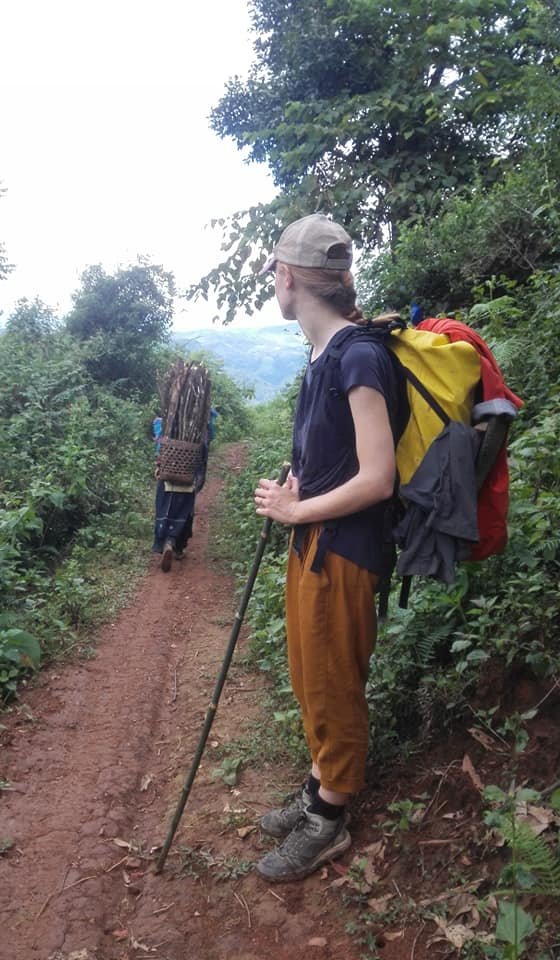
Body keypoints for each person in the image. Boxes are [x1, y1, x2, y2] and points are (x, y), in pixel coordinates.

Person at [252, 213, 408, 882]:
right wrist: (297, 488)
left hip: (344, 551)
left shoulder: (359, 356)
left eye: (275, 274)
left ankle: (329, 820)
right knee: (311, 675)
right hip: (314, 541)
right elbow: (338, 459)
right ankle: (319, 787)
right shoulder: (324, 357)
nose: (274, 284)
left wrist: (296, 510)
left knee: (335, 682)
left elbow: (378, 478)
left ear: (289, 277)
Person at [151, 411, 215, 572]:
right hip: (189, 476)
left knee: (164, 508)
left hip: (167, 475)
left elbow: (160, 446)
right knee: (184, 512)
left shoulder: (167, 421)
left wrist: (159, 466)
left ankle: (164, 542)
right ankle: (176, 546)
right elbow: (206, 448)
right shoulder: (203, 424)